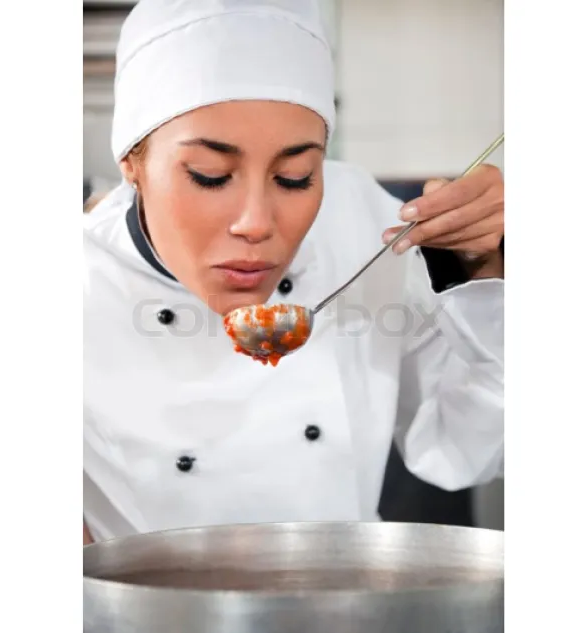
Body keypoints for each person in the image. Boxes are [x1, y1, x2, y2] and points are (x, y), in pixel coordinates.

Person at [83, 0, 504, 544]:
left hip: (347, 586)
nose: (256, 224)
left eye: (296, 177)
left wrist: (484, 267)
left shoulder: (363, 219)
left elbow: (471, 448)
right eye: (210, 176)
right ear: (132, 162)